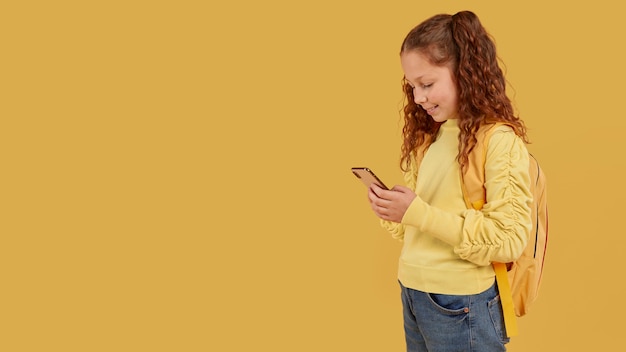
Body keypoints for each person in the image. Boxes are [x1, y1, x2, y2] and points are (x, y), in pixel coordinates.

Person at [367, 10, 533, 352]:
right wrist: (391, 210)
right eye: (412, 86)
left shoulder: (498, 141)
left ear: (465, 72)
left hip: (462, 302)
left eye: (427, 84)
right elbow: (417, 225)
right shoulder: (431, 138)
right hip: (414, 293)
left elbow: (508, 239)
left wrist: (417, 213)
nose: (418, 98)